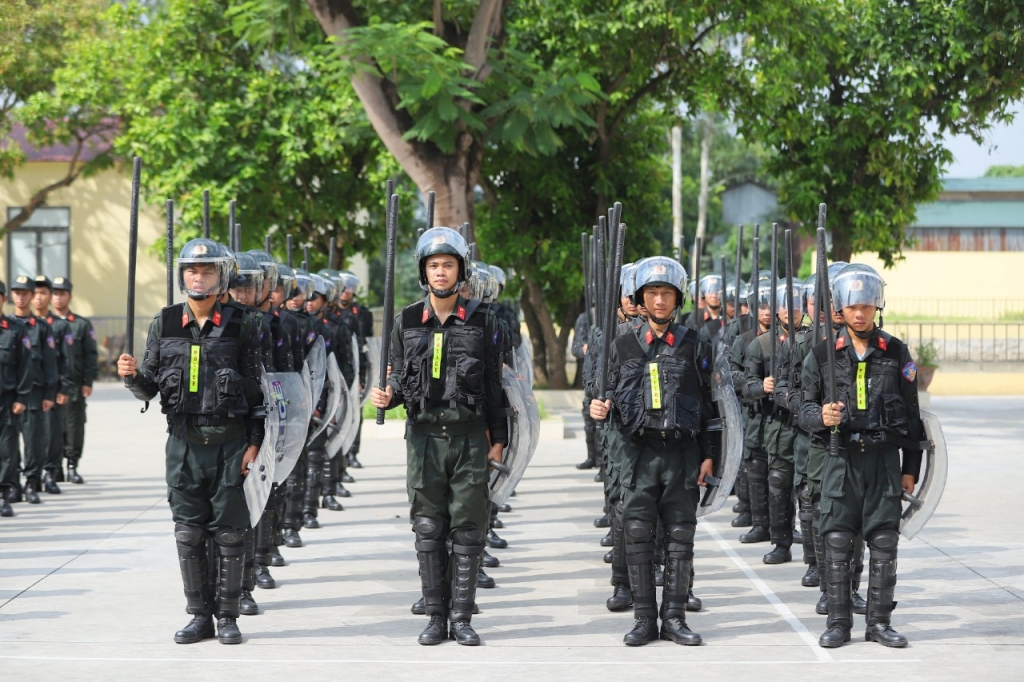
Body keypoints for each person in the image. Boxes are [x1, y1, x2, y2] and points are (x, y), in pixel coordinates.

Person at [117, 238, 265, 645]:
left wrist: (255, 444)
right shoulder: (163, 323)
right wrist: (130, 377)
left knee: (231, 533)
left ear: (222, 277)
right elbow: (148, 387)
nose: (198, 278)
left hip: (231, 442)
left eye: (207, 271)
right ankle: (199, 615)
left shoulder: (242, 324)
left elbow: (256, 391)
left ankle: (229, 617)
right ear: (182, 276)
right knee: (189, 533)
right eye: (191, 271)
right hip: (183, 443)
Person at [370, 226, 507, 647]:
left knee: (468, 529)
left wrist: (498, 440)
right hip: (425, 439)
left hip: (468, 439)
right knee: (428, 527)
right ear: (423, 272)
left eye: (448, 265)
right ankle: (434, 616)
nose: (441, 272)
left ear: (460, 270)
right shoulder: (406, 320)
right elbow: (397, 376)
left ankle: (462, 618)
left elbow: (494, 385)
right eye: (434, 265)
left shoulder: (484, 319)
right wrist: (386, 394)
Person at [589, 256, 715, 647]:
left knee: (680, 537)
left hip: (681, 455)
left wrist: (711, 455)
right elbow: (604, 394)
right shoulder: (621, 344)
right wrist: (600, 409)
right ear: (640, 299)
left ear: (678, 299)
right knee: (639, 534)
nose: (659, 301)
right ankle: (644, 618)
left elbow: (712, 406)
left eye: (666, 293)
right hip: (637, 454)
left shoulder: (696, 345)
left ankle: (674, 617)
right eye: (652, 293)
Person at [799, 263, 923, 649]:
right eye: (853, 306)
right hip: (840, 460)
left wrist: (910, 470)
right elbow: (801, 409)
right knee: (837, 541)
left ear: (876, 306)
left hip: (883, 462)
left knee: (885, 542)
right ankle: (838, 623)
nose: (860, 312)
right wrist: (821, 416)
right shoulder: (821, 354)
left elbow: (913, 417)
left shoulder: (895, 352)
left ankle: (879, 623)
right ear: (839, 308)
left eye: (867, 305)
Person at [9, 275, 58, 504]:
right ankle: (12, 484)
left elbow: (50, 362)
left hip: (35, 392)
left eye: (25, 292)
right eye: (17, 292)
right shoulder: (7, 327)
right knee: (9, 443)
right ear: (11, 295)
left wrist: (50, 393)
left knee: (33, 441)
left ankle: (31, 481)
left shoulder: (41, 328)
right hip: (10, 392)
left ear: (31, 295)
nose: (21, 297)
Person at [50, 277, 98, 484]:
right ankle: (53, 468)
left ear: (70, 296)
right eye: (55, 293)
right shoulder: (45, 324)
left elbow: (90, 354)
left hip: (75, 385)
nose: (58, 297)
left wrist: (88, 381)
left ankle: (72, 466)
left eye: (63, 293)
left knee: (74, 426)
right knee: (51, 427)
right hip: (51, 386)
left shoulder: (81, 324)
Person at [32, 275, 76, 491]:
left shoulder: (59, 326)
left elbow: (67, 360)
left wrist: (65, 387)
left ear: (50, 296)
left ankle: (50, 473)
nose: (39, 298)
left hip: (52, 389)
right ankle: (31, 476)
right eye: (36, 293)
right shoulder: (22, 324)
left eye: (43, 293)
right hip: (28, 390)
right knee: (30, 436)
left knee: (52, 434)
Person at [0, 280, 32, 515]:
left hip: (6, 400)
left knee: (7, 450)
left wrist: (22, 397)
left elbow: (25, 366)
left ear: (3, 299)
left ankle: (3, 494)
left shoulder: (15, 330)